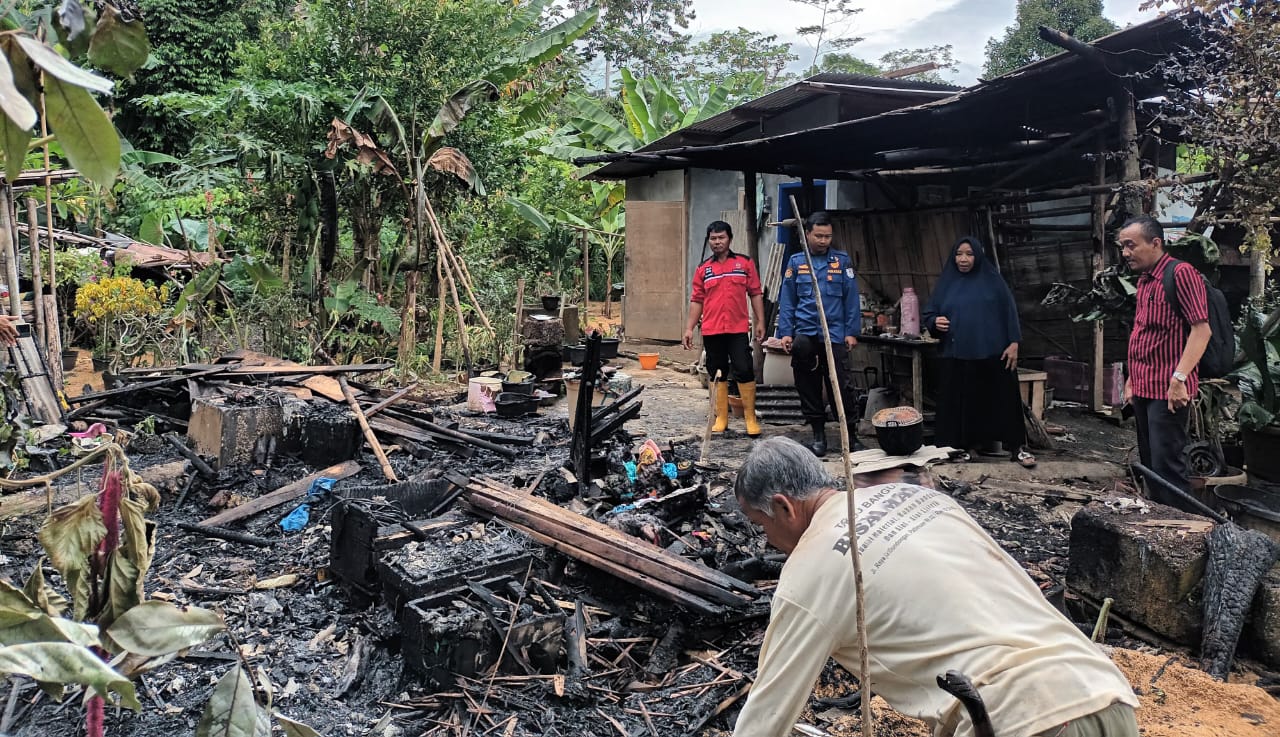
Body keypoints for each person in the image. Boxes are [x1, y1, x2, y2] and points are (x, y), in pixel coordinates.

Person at [730, 437, 1140, 737]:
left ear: (784, 506)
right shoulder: (924, 501)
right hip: (1106, 694)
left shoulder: (808, 572)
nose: (766, 541)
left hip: (1020, 720)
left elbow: (764, 720)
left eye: (760, 524)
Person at [923, 236, 1035, 468]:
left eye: (969, 254)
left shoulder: (993, 281)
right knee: (960, 402)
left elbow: (1009, 310)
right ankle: (959, 448)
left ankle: (1017, 448)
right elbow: (930, 313)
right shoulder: (947, 283)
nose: (963, 259)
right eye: (959, 254)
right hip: (956, 352)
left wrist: (1014, 342)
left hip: (993, 352)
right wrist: (935, 322)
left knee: (1003, 398)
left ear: (978, 256)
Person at [1120, 215, 1211, 498]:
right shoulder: (1146, 281)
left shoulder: (1181, 274)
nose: (1125, 253)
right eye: (1122, 246)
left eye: (1130, 245)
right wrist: (1132, 379)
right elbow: (1143, 334)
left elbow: (1201, 330)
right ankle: (1156, 524)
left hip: (1170, 390)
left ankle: (1180, 530)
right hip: (1145, 386)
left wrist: (1179, 379)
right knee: (1150, 464)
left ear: (1156, 243)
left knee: (1167, 467)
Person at [776, 212, 862, 457]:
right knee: (808, 384)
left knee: (842, 385)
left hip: (834, 334)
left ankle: (851, 436)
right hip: (806, 333)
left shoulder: (841, 262)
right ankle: (818, 436)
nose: (824, 241)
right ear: (807, 234)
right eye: (819, 236)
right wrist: (786, 333)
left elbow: (851, 299)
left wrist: (852, 332)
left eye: (828, 236)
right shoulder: (796, 262)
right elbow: (788, 300)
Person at [684, 221, 767, 436]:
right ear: (709, 240)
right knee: (715, 372)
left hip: (738, 329)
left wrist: (760, 321)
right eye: (713, 238)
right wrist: (689, 328)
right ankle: (721, 417)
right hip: (712, 330)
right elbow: (696, 300)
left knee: (744, 369)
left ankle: (750, 418)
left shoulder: (744, 263)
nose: (717, 242)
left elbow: (756, 293)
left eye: (721, 237)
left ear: (729, 239)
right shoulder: (704, 269)